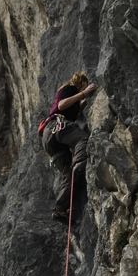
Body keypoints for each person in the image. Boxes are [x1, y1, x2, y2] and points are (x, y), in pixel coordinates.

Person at [39, 71, 98, 225]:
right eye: (83, 87)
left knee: (69, 176)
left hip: (49, 139)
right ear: (80, 84)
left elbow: (71, 109)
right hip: (57, 126)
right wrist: (84, 93)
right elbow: (61, 105)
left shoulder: (73, 101)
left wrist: (82, 102)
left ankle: (60, 209)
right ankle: (80, 162)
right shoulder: (70, 88)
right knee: (82, 138)